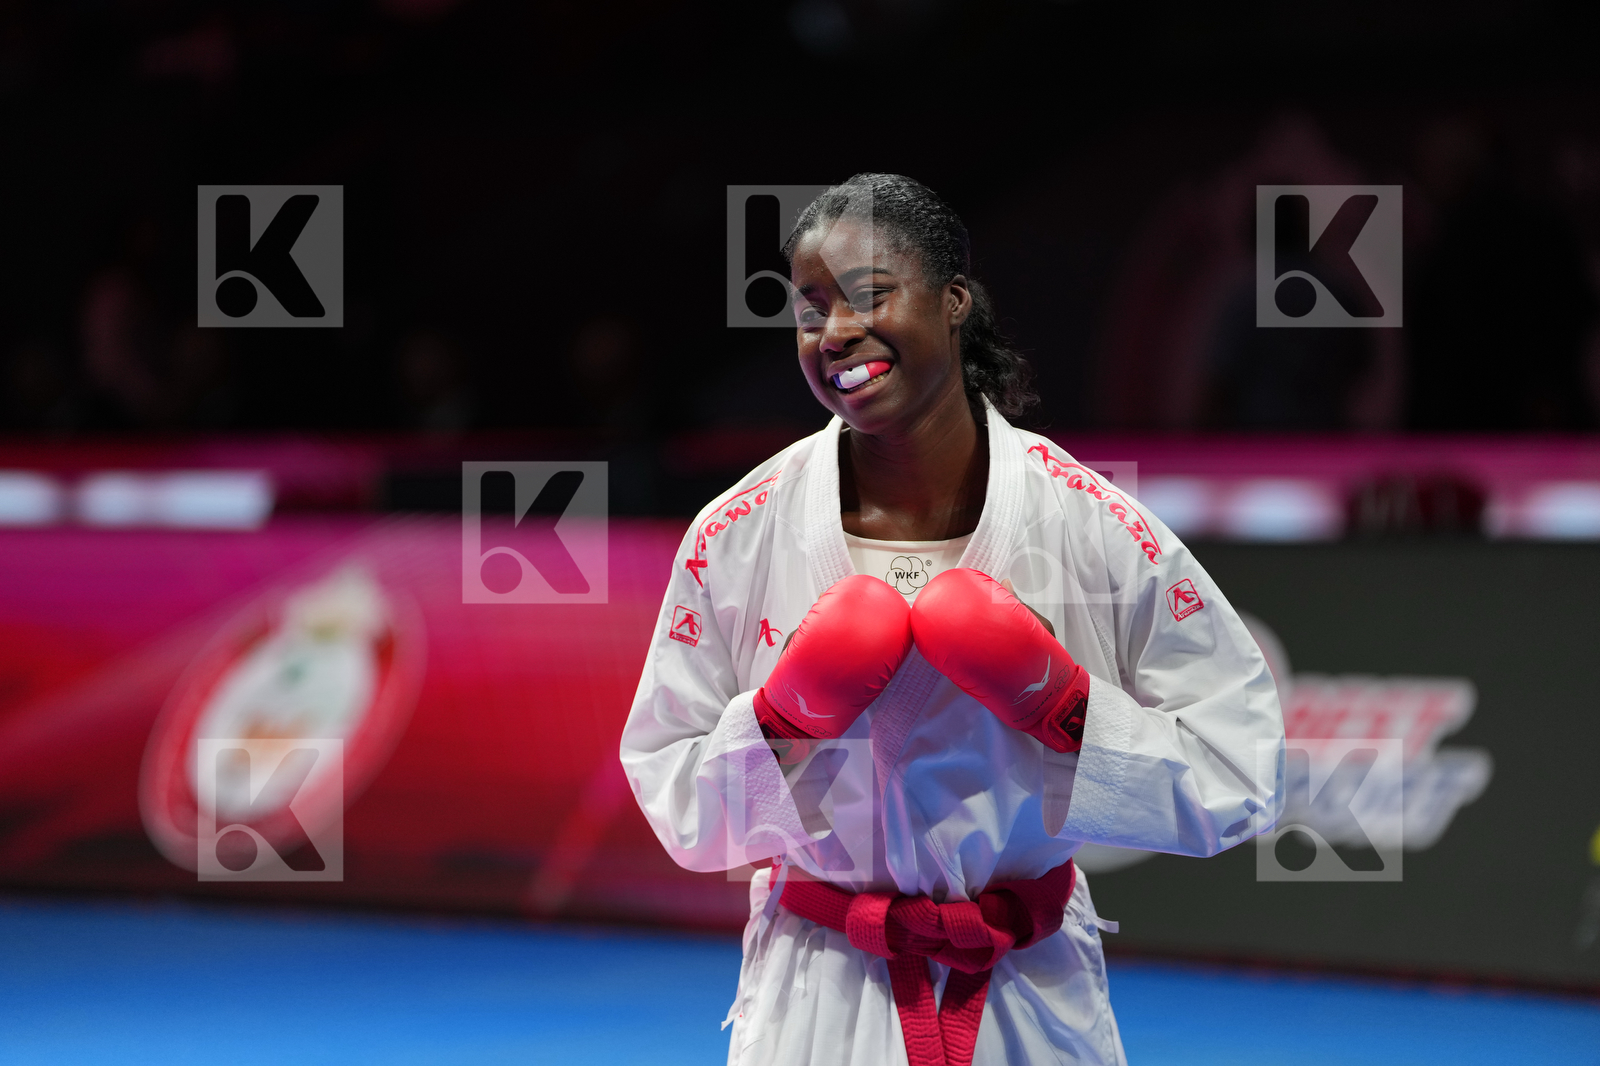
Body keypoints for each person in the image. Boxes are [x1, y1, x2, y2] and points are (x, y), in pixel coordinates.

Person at [620, 174, 1285, 1066]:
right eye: (810, 308)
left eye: (870, 295)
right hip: (818, 996)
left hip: (1026, 991)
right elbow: (675, 801)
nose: (836, 333)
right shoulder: (736, 533)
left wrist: (1069, 712)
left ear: (955, 301)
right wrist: (779, 726)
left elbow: (1240, 771)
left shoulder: (1089, 521)